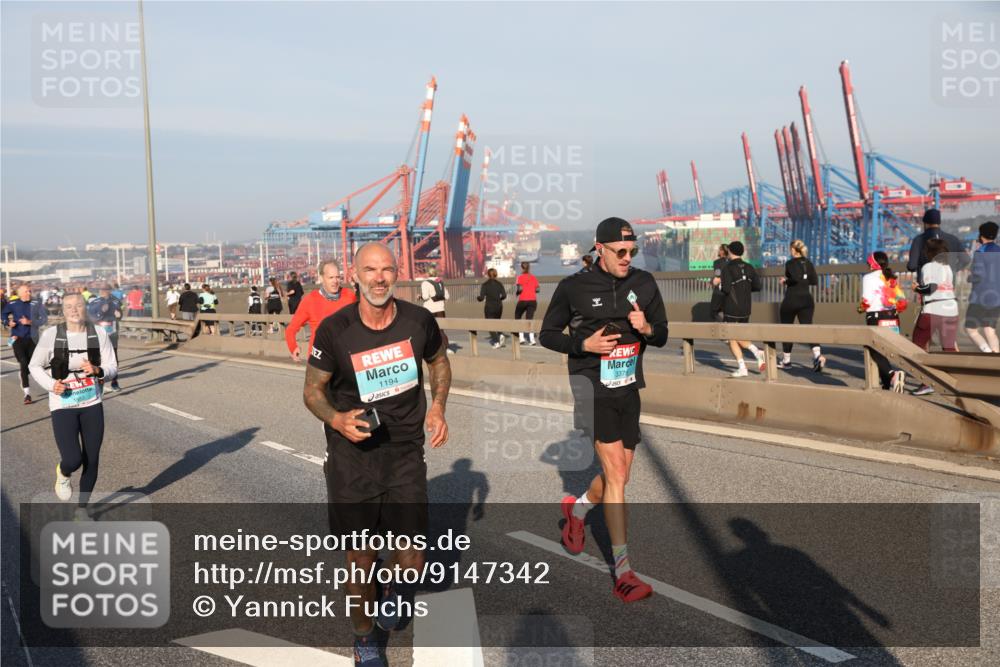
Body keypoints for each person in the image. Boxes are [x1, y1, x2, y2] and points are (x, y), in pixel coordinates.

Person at [304, 242, 451, 665]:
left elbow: (439, 363)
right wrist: (336, 420)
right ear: (354, 275)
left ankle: (396, 587)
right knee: (360, 557)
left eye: (387, 269)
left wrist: (438, 406)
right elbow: (312, 391)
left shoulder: (418, 321)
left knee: (412, 557)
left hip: (404, 450)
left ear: (397, 273)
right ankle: (364, 637)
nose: (379, 277)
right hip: (353, 454)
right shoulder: (335, 330)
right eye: (370, 269)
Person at [540, 217, 668, 604]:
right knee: (615, 472)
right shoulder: (573, 287)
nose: (628, 258)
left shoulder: (644, 283)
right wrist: (584, 345)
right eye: (620, 252)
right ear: (600, 249)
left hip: (628, 387)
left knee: (620, 475)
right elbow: (547, 334)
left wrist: (646, 328)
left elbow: (662, 334)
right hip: (591, 387)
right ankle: (624, 572)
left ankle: (577, 511)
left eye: (633, 251)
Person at [29, 293, 117, 520]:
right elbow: (34, 366)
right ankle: (64, 472)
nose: (74, 310)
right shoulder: (51, 335)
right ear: (63, 311)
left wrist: (98, 371)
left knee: (92, 459)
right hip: (63, 404)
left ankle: (82, 510)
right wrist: (51, 385)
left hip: (91, 403)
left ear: (85, 308)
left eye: (78, 305)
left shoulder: (98, 333)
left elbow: (112, 367)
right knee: (73, 459)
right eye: (69, 306)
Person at [910, 238, 960, 396]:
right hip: (951, 308)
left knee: (917, 346)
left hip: (933, 309)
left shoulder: (929, 266)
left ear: (929, 252)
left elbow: (930, 288)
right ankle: (955, 382)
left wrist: (917, 289)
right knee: (949, 347)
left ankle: (927, 382)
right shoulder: (947, 268)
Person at [285, 260, 357, 362]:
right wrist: (293, 347)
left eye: (337, 277)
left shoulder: (349, 296)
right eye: (331, 278)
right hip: (320, 362)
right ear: (321, 278)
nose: (335, 281)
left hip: (346, 359)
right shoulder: (310, 300)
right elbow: (290, 329)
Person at [859, 251, 907, 392]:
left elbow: (867, 301)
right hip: (893, 316)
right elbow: (901, 299)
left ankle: (893, 376)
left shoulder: (868, 278)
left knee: (874, 350)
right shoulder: (890, 277)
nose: (868, 266)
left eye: (868, 264)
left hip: (876, 316)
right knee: (884, 350)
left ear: (873, 264)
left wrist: (859, 309)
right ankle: (886, 385)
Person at [719, 241, 766, 377]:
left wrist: (719, 286)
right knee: (737, 336)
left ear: (730, 252)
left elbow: (726, 289)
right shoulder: (749, 267)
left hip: (731, 308)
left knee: (732, 337)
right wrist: (744, 288)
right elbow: (757, 286)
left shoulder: (727, 268)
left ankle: (752, 357)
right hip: (746, 308)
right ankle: (747, 362)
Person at [777, 240, 825, 372]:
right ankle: (817, 355)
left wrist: (785, 280)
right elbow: (814, 281)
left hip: (792, 299)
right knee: (808, 327)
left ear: (793, 250)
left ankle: (786, 361)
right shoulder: (808, 263)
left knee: (787, 329)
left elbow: (794, 279)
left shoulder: (790, 263)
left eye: (790, 249)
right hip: (807, 300)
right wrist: (804, 279)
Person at [965, 221, 1000, 354]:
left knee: (970, 329)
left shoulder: (980, 252)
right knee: (989, 330)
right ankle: (996, 358)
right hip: (997, 298)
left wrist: (970, 277)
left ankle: (987, 352)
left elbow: (977, 275)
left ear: (981, 236)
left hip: (980, 298)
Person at [906, 208, 970, 274]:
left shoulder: (918, 240)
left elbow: (912, 266)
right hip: (948, 282)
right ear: (939, 223)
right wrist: (953, 270)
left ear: (925, 223)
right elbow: (966, 259)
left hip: (926, 282)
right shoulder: (953, 239)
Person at [3, 284, 37, 405]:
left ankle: (24, 372)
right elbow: (3, 314)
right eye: (27, 291)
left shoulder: (35, 303)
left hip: (32, 338)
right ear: (20, 293)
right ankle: (27, 394)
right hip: (17, 338)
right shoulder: (13, 304)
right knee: (23, 362)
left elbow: (43, 319)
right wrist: (8, 322)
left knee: (32, 364)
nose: (29, 293)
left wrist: (30, 322)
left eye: (30, 291)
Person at [87, 284, 123, 391]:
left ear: (110, 290)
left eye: (107, 289)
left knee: (114, 357)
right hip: (100, 332)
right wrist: (101, 312)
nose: (105, 291)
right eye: (103, 289)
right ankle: (101, 381)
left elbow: (120, 315)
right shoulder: (95, 303)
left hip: (113, 332)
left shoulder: (116, 301)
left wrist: (119, 315)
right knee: (100, 358)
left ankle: (114, 382)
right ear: (100, 291)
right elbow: (91, 317)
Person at [419, 266, 450, 352]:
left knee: (430, 330)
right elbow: (447, 296)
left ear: (428, 273)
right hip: (440, 309)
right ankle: (445, 347)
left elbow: (425, 297)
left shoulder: (425, 283)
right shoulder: (440, 282)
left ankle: (432, 349)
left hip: (429, 310)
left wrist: (420, 296)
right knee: (441, 329)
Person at [477, 267, 507, 348]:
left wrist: (478, 298)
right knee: (497, 322)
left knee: (489, 324)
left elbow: (482, 298)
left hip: (489, 307)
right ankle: (500, 335)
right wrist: (499, 299)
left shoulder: (485, 285)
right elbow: (504, 295)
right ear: (495, 274)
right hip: (499, 306)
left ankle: (496, 342)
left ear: (488, 275)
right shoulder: (499, 284)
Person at [515, 261, 540, 345]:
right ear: (529, 268)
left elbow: (519, 289)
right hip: (532, 300)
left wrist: (517, 293)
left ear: (521, 267)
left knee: (518, 316)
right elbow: (538, 289)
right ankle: (532, 339)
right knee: (529, 319)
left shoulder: (520, 277)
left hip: (523, 300)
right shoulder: (533, 277)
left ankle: (521, 338)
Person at [709, 244, 730, 322]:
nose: (718, 251)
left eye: (719, 249)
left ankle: (722, 325)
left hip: (719, 291)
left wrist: (712, 281)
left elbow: (718, 274)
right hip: (730, 291)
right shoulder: (731, 262)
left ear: (722, 251)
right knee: (727, 312)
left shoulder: (717, 262)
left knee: (713, 312)